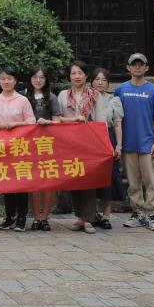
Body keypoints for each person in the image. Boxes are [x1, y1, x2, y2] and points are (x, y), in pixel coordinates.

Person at [116, 53, 154, 233]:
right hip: (128, 144)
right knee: (133, 182)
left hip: (148, 144)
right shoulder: (121, 90)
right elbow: (117, 118)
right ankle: (137, 212)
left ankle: (152, 214)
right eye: (134, 64)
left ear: (146, 67)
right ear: (128, 67)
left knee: (151, 180)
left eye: (141, 64)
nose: (137, 67)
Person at [58, 60, 103, 234]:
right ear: (69, 76)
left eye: (80, 73)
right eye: (73, 73)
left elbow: (100, 121)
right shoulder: (63, 95)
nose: (77, 76)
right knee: (74, 179)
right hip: (69, 143)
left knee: (88, 180)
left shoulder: (95, 95)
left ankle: (89, 219)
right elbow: (58, 118)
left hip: (89, 143)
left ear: (86, 75)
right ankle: (79, 217)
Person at [0, 66, 36, 232]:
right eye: (3, 78)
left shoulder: (22, 100)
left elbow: (31, 122)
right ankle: (9, 217)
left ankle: (22, 218)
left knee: (21, 182)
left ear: (15, 81)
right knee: (6, 182)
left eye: (9, 78)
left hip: (20, 147)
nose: (6, 81)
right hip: (1, 147)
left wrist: (15, 124)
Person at [25, 66, 61, 231]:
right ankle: (36, 217)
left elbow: (58, 122)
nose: (38, 80)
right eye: (35, 77)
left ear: (46, 80)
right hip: (27, 145)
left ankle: (45, 217)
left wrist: (48, 123)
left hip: (47, 144)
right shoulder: (23, 96)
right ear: (30, 79)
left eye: (41, 77)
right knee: (33, 182)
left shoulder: (52, 97)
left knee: (48, 182)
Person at [90, 67, 124, 230]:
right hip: (91, 140)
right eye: (97, 79)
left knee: (109, 177)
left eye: (103, 80)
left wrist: (119, 145)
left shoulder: (113, 100)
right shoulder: (86, 99)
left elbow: (117, 124)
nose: (100, 83)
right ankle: (93, 213)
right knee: (92, 177)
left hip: (108, 138)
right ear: (91, 82)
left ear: (108, 83)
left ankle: (106, 215)